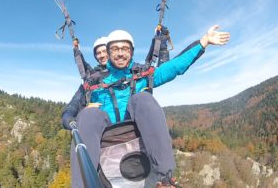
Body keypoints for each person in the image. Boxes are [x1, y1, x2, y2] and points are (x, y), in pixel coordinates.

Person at [70, 25, 230, 188]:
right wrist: (72, 119)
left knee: (143, 99)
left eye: (125, 49)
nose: (120, 53)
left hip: (135, 133)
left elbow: (172, 68)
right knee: (87, 115)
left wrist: (203, 42)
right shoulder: (93, 82)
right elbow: (69, 111)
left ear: (131, 52)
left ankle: (166, 179)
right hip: (106, 139)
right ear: (109, 53)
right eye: (115, 49)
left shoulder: (141, 75)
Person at [62, 36, 109, 130]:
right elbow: (74, 103)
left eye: (105, 51)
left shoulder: (125, 72)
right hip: (96, 127)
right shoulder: (91, 78)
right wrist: (68, 117)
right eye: (98, 53)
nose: (102, 55)